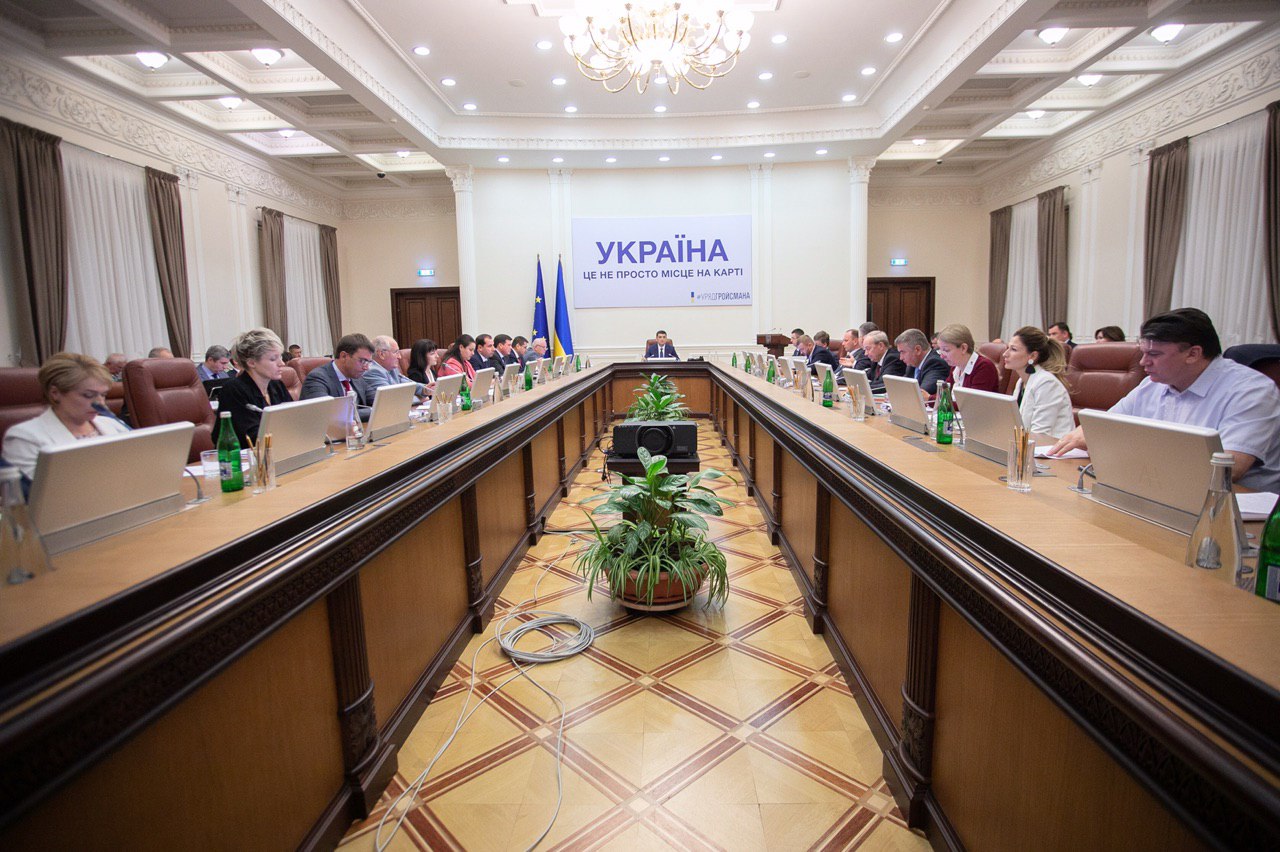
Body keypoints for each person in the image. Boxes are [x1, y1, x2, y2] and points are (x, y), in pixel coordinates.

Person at [1048, 308, 1280, 491]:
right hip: (1161, 491)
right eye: (1143, 352)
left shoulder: (1251, 391)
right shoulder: (1154, 384)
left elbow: (1228, 469)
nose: (1143, 362)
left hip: (1235, 509)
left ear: (1193, 353)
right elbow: (1101, 428)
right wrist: (1086, 434)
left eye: (1154, 354)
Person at [2, 353, 131, 480]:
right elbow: (39, 491)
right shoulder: (24, 437)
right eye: (88, 395)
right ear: (55, 393)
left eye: (103, 395)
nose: (100, 403)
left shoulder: (112, 424)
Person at [216, 328, 291, 446]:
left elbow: (292, 420)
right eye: (273, 359)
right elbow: (251, 437)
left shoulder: (276, 385)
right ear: (251, 363)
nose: (281, 363)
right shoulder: (233, 390)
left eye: (280, 357)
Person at [1002, 326, 1075, 439]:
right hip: (1029, 444)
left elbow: (1040, 434)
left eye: (1013, 349)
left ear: (1033, 356)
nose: (1005, 354)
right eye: (1008, 348)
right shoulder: (1021, 382)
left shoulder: (1047, 383)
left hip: (1052, 447)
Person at [300, 333, 375, 422]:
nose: (366, 368)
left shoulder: (357, 378)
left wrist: (374, 410)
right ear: (344, 356)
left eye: (369, 362)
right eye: (362, 361)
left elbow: (380, 404)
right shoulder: (317, 378)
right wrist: (372, 411)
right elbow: (328, 414)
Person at [936, 324, 1000, 393]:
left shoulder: (984, 367)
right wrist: (929, 397)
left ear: (963, 348)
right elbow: (944, 394)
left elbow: (972, 399)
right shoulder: (956, 367)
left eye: (946, 350)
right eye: (940, 350)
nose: (942, 356)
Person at [365, 335, 424, 402]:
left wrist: (425, 389)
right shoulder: (373, 371)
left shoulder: (391, 368)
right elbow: (392, 398)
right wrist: (419, 399)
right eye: (396, 352)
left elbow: (408, 383)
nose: (399, 357)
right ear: (382, 354)